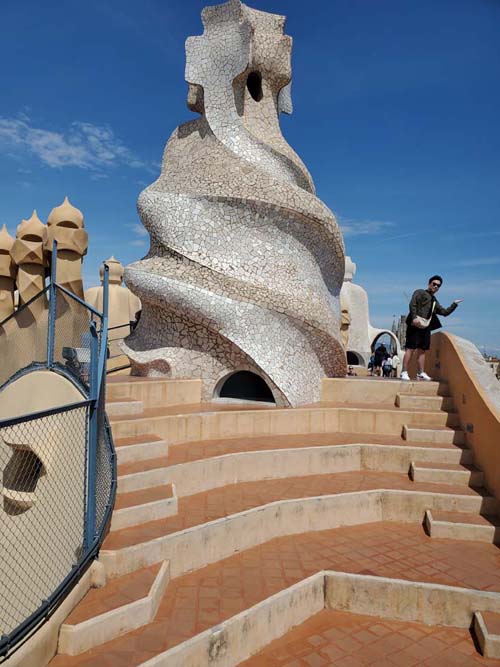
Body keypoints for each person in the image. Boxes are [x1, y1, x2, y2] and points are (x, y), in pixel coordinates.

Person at [401, 275, 462, 381]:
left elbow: (444, 312)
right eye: (434, 284)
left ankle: (420, 373)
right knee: (410, 348)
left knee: (422, 350)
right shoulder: (420, 292)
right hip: (415, 324)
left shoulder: (434, 300)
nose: (435, 286)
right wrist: (414, 318)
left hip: (426, 327)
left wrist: (454, 304)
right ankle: (404, 371)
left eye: (438, 285)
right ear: (429, 284)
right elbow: (413, 304)